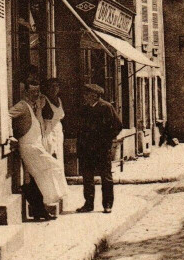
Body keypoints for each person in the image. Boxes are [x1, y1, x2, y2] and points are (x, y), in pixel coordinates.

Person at [9, 76, 67, 220]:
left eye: (37, 92)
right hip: (28, 146)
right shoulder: (22, 105)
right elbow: (6, 116)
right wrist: (9, 135)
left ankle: (41, 208)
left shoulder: (36, 106)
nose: (35, 95)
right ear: (25, 93)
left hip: (36, 145)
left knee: (39, 175)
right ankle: (47, 202)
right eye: (32, 92)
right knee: (52, 167)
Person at [76, 83, 122, 214]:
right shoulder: (84, 109)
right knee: (87, 177)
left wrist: (107, 139)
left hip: (101, 149)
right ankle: (88, 204)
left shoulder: (106, 107)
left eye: (87, 94)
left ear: (94, 95)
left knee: (105, 176)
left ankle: (107, 204)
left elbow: (118, 125)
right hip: (86, 149)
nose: (85, 97)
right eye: (84, 94)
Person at [41, 78, 66, 167]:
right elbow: (38, 116)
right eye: (52, 86)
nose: (54, 88)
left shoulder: (59, 100)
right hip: (48, 131)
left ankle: (58, 180)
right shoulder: (43, 99)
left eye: (56, 86)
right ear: (47, 88)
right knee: (50, 154)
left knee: (59, 155)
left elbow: (60, 116)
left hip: (58, 131)